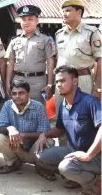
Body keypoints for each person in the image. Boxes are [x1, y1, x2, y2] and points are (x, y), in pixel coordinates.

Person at [36, 65, 101, 195]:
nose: (59, 85)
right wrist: (44, 134)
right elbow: (59, 130)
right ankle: (77, 177)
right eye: (57, 81)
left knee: (66, 167)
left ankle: (95, 184)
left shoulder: (90, 102)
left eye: (63, 81)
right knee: (41, 157)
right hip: (73, 150)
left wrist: (88, 155)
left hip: (96, 155)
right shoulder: (63, 105)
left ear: (75, 81)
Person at [0, 79, 54, 178]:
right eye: (14, 94)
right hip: (16, 148)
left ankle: (41, 166)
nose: (17, 96)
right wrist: (10, 128)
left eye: (21, 93)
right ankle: (14, 162)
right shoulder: (7, 105)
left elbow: (44, 131)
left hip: (34, 149)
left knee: (49, 141)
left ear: (29, 94)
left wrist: (22, 135)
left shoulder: (38, 106)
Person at [54, 0, 101, 119]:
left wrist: (98, 88)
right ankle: (63, 139)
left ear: (79, 11)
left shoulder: (91, 32)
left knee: (83, 118)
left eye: (68, 10)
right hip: (61, 81)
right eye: (63, 11)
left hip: (82, 79)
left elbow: (100, 60)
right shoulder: (59, 34)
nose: (64, 14)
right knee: (62, 117)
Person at [5, 5, 56, 104]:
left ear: (37, 21)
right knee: (18, 111)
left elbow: (51, 62)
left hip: (38, 82)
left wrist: (50, 84)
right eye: (23, 19)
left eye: (30, 19)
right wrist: (7, 83)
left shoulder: (46, 39)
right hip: (18, 80)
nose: (26, 22)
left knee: (37, 111)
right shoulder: (14, 40)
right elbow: (10, 63)